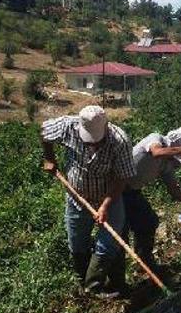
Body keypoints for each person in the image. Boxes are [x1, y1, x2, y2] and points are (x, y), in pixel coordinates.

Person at [40, 105, 135, 299]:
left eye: (96, 141)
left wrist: (105, 205)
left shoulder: (120, 140)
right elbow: (43, 132)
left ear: (106, 126)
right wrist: (49, 158)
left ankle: (98, 285)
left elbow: (122, 179)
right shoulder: (68, 127)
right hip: (77, 198)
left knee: (109, 242)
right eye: (88, 140)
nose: (92, 145)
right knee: (77, 241)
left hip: (109, 197)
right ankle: (83, 285)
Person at [121, 127, 181, 278]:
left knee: (149, 222)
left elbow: (174, 191)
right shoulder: (155, 139)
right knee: (120, 232)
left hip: (132, 192)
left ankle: (144, 263)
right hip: (117, 187)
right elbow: (156, 152)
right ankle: (118, 277)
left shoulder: (166, 165)